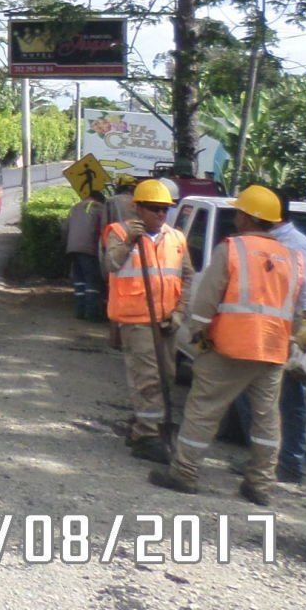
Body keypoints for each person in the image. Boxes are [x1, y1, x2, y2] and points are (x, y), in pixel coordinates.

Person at [154, 185, 306, 506]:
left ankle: (184, 472)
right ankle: (260, 485)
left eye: (239, 212)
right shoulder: (293, 258)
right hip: (273, 351)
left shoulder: (233, 249)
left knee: (204, 410)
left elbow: (206, 298)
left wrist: (198, 332)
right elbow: (294, 309)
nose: (235, 216)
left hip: (229, 347)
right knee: (266, 418)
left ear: (248, 217)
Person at [233, 193, 306, 484]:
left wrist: (301, 334)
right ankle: (265, 462)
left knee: (287, 401)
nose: (237, 219)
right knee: (257, 399)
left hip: (285, 333)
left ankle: (287, 465)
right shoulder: (272, 242)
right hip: (262, 332)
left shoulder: (294, 244)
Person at [103, 179, 192, 462]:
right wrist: (130, 240)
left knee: (166, 377)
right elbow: (110, 265)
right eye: (154, 209)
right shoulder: (119, 232)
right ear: (137, 209)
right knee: (147, 379)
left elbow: (187, 276)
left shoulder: (176, 238)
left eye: (165, 209)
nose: (160, 215)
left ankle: (150, 425)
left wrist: (179, 312)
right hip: (136, 320)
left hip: (166, 320)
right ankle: (147, 434)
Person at [65, 187, 108, 321]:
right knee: (92, 281)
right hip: (89, 249)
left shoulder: (75, 207)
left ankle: (80, 311)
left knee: (79, 281)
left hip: (72, 248)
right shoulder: (99, 208)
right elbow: (104, 228)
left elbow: (64, 228)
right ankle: (92, 314)